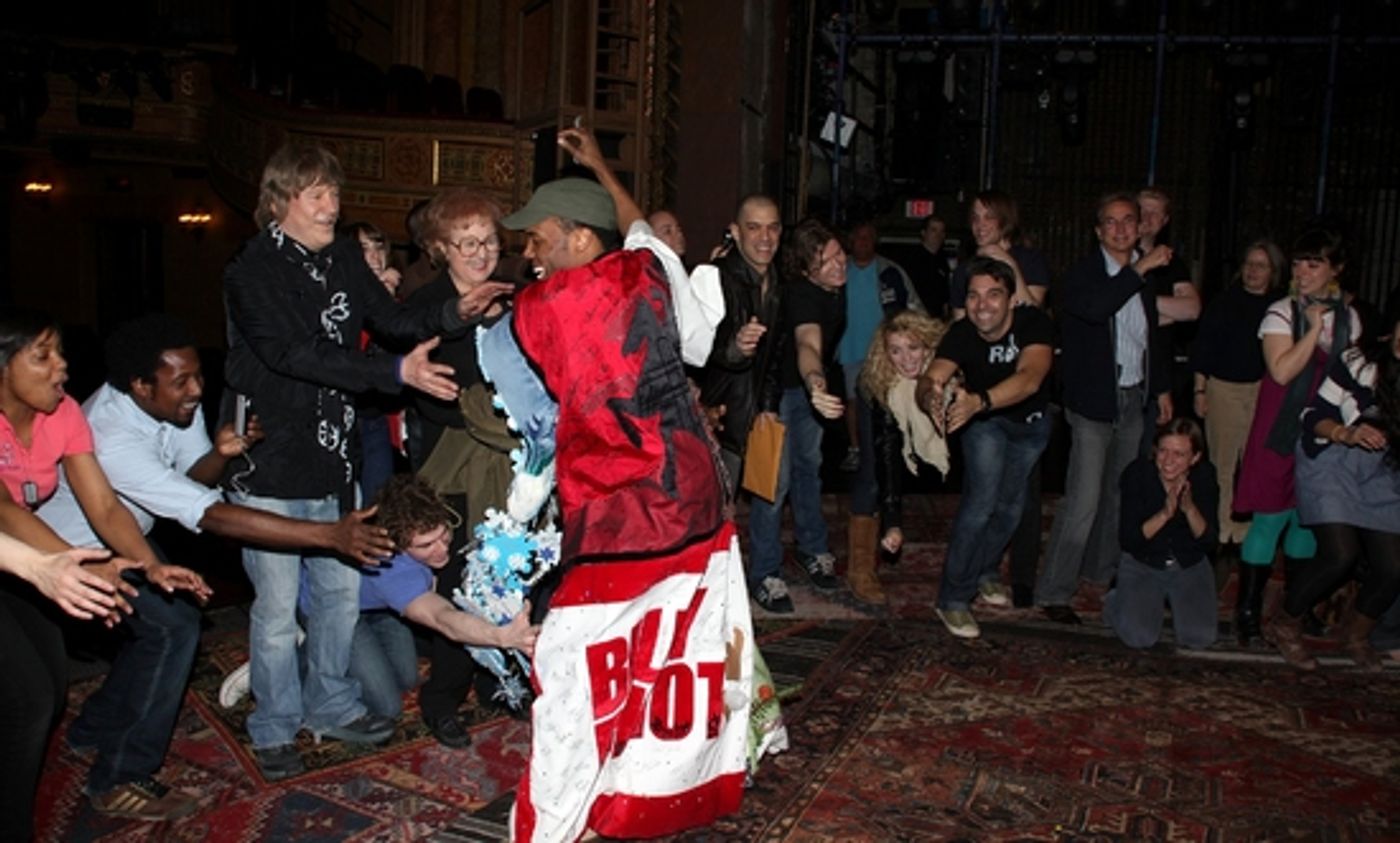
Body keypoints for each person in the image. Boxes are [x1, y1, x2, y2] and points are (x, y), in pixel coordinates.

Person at [486, 125, 749, 841]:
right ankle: (647, 792)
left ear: (577, 239)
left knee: (571, 673)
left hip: (620, 521)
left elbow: (619, 232)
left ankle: (555, 824)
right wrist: (603, 165)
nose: (527, 254)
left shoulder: (537, 311)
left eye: (537, 239)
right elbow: (636, 226)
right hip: (695, 502)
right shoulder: (652, 271)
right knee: (675, 654)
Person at [222, 141, 514, 779]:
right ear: (279, 203)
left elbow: (390, 317)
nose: (332, 204)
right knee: (275, 610)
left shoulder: (346, 259)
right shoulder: (252, 268)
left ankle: (329, 702)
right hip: (274, 460)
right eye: (316, 194)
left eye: (334, 191)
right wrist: (393, 370)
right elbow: (292, 353)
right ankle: (273, 723)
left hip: (337, 456)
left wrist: (450, 311)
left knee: (336, 595)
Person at [35, 313, 395, 816]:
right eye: (180, 380)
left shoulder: (173, 404)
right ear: (140, 386)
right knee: (169, 631)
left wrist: (222, 455)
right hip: (68, 551)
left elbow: (194, 477)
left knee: (164, 632)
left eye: (198, 374)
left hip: (123, 537)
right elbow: (205, 513)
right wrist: (327, 536)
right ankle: (121, 776)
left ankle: (94, 726)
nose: (196, 389)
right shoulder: (109, 433)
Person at [0, 308, 210, 829]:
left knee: (48, 694)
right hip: (28, 556)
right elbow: (3, 508)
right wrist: (69, 569)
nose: (62, 367)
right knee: (27, 704)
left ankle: (94, 730)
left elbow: (106, 507)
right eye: (42, 356)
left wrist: (148, 566)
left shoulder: (63, 412)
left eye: (61, 353)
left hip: (38, 560)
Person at [402, 187, 519, 748]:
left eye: (489, 240)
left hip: (512, 463)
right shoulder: (425, 307)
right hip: (452, 466)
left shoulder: (515, 298)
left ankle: (499, 685)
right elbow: (431, 397)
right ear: (440, 248)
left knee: (507, 575)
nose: (480, 253)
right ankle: (442, 700)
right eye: (466, 243)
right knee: (459, 581)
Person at [1035, 193, 1173, 624]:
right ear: (1098, 231)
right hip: (1094, 401)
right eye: (1110, 222)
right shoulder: (1085, 275)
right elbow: (1096, 309)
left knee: (1120, 494)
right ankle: (1054, 590)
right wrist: (1138, 270)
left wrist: (1162, 387)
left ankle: (1101, 571)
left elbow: (1149, 336)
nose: (1120, 229)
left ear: (1140, 227)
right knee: (1084, 499)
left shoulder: (1144, 277)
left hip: (1134, 397)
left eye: (1128, 221)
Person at [1234, 227, 1361, 649]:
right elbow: (1283, 372)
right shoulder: (1281, 312)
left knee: (1308, 523)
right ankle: (1248, 613)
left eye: (1315, 262)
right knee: (1269, 519)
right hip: (1278, 432)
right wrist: (1312, 330)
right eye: (1300, 261)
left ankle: (1295, 610)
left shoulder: (1351, 318)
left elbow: (1353, 381)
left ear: (1335, 269)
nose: (1303, 271)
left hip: (1323, 434)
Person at [918, 257, 1054, 638]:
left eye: (994, 295)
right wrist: (930, 395)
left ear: (1011, 300)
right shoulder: (962, 332)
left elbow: (1029, 379)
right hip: (985, 425)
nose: (983, 305)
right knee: (980, 506)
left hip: (1029, 425)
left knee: (1010, 510)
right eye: (974, 296)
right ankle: (953, 599)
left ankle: (983, 569)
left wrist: (979, 400)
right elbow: (932, 376)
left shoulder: (1035, 324)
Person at [1268, 314, 1400, 670]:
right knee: (1340, 554)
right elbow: (1312, 415)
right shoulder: (1358, 363)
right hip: (1331, 455)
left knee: (1392, 567)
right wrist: (1347, 433)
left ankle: (1355, 634)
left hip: (1383, 471)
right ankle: (1285, 621)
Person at [748, 219, 848, 612]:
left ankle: (811, 548)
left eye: (838, 253)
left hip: (808, 393)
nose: (839, 264)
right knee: (774, 483)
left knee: (810, 469)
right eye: (826, 261)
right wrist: (817, 384)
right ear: (806, 270)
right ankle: (765, 573)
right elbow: (808, 342)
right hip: (779, 393)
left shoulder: (835, 288)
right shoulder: (804, 296)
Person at [1189, 239, 1285, 637]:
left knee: (1256, 466)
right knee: (1225, 462)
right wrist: (1199, 389)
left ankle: (1246, 538)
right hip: (1224, 389)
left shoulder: (1280, 308)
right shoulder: (1225, 302)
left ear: (1273, 270)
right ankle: (1223, 538)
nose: (1253, 271)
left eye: (1261, 265)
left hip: (1263, 391)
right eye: (1248, 264)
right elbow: (1203, 349)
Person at [855, 310, 949, 605]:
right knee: (871, 476)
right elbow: (887, 454)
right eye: (895, 350)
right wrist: (892, 522)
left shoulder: (948, 373)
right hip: (881, 413)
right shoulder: (877, 382)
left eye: (914, 347)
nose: (906, 358)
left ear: (929, 346)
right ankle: (860, 571)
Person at [1104, 418, 1219, 650]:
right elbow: (1129, 540)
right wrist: (1165, 514)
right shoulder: (1137, 474)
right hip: (1144, 562)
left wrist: (1189, 509)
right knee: (1140, 638)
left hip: (1188, 564)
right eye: (1163, 451)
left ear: (1195, 458)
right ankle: (1115, 600)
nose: (1168, 461)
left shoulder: (1204, 476)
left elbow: (1209, 541)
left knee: (1199, 638)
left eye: (1179, 454)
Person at [699, 195, 783, 493]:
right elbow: (699, 351)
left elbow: (774, 352)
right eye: (754, 228)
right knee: (713, 512)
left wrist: (768, 405)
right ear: (735, 232)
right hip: (715, 419)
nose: (765, 238)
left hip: (750, 414)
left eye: (772, 228)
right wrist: (736, 347)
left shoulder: (774, 279)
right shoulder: (715, 276)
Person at [835, 220, 922, 473]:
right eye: (858, 237)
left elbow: (913, 306)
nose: (863, 242)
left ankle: (894, 449)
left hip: (885, 350)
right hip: (850, 346)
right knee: (853, 400)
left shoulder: (890, 271)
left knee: (890, 400)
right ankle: (855, 449)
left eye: (868, 237)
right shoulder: (840, 269)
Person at [949, 190, 1051, 319]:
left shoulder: (1030, 259)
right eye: (975, 218)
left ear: (1005, 220)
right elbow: (960, 323)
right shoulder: (964, 269)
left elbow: (1032, 315)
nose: (980, 225)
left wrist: (1008, 262)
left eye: (989, 217)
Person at [904, 213, 954, 320]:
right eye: (933, 230)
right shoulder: (912, 260)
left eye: (941, 231)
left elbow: (944, 294)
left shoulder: (942, 261)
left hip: (937, 320)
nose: (938, 235)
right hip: (918, 318)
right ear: (923, 233)